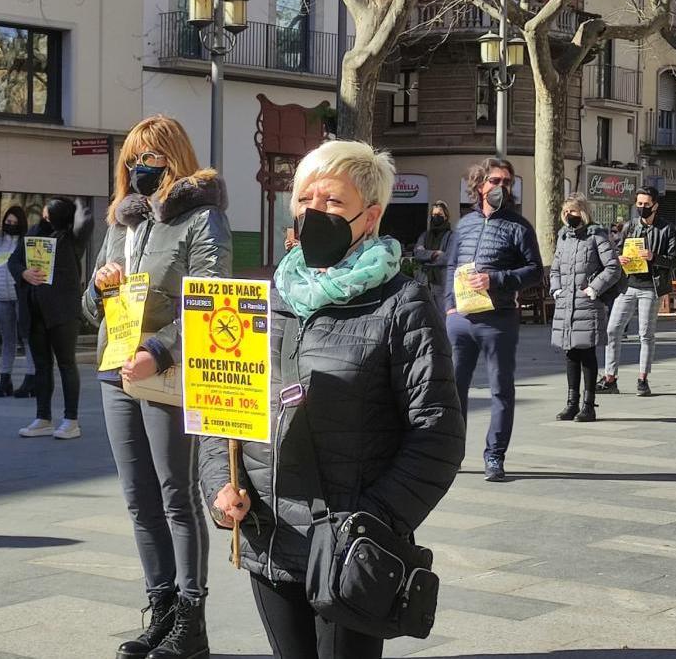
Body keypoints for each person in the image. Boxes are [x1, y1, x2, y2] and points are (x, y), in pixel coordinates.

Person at [202, 140, 465, 659]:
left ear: (370, 216)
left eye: (333, 203)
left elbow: (437, 436)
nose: (313, 212)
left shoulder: (403, 304)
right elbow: (221, 406)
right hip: (268, 535)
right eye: (305, 199)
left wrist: (373, 521)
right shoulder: (266, 296)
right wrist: (221, 485)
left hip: (349, 546)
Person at [81, 115, 232, 659]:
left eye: (150, 159)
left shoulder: (202, 220)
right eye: (131, 160)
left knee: (175, 496)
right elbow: (87, 304)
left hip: (164, 371)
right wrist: (100, 288)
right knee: (138, 498)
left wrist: (159, 349)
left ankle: (192, 621)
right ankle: (162, 608)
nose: (138, 169)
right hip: (114, 367)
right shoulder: (122, 223)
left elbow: (210, 305)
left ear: (174, 159)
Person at [445, 157, 543, 482]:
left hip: (498, 321)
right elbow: (450, 265)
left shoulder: (519, 226)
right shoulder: (465, 224)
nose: (501, 187)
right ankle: (452, 455)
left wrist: (496, 280)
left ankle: (494, 457)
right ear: (480, 185)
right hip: (461, 320)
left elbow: (535, 271)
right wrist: (448, 306)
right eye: (495, 181)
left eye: (507, 182)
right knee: (455, 389)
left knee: (501, 389)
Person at [9, 197, 88, 440]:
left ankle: (70, 419)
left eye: (48, 212)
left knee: (66, 363)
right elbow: (14, 261)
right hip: (34, 310)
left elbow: (84, 224)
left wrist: (78, 210)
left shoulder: (70, 238)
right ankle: (43, 417)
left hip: (62, 310)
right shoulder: (32, 235)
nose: (44, 215)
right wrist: (24, 272)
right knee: (42, 365)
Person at [596, 186, 676, 397]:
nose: (642, 208)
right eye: (639, 204)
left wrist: (654, 257)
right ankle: (610, 378)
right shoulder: (630, 226)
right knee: (612, 329)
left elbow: (675, 260)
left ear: (655, 206)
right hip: (627, 285)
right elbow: (617, 250)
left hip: (651, 287)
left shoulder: (667, 229)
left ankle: (643, 379)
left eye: (646, 205)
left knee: (646, 334)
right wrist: (619, 257)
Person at [549, 194, 621, 422]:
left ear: (583, 212)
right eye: (566, 212)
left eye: (574, 211)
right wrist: (556, 289)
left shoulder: (596, 235)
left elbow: (612, 267)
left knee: (587, 353)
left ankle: (588, 405)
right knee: (571, 354)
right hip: (566, 304)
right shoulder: (563, 237)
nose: (569, 216)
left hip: (587, 304)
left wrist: (594, 289)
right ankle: (571, 403)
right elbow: (555, 269)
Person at [0, 206, 33, 398]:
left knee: (27, 337)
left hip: (20, 294)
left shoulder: (25, 243)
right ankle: (5, 377)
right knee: (7, 339)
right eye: (8, 222)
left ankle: (31, 376)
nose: (10, 225)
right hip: (1, 296)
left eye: (14, 223)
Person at [413, 200, 454, 313]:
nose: (436, 217)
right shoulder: (424, 235)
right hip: (424, 282)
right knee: (424, 315)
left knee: (442, 318)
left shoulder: (451, 236)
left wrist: (425, 257)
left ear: (446, 217)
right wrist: (434, 254)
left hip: (442, 285)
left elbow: (448, 257)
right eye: (434, 215)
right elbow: (417, 253)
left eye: (440, 215)